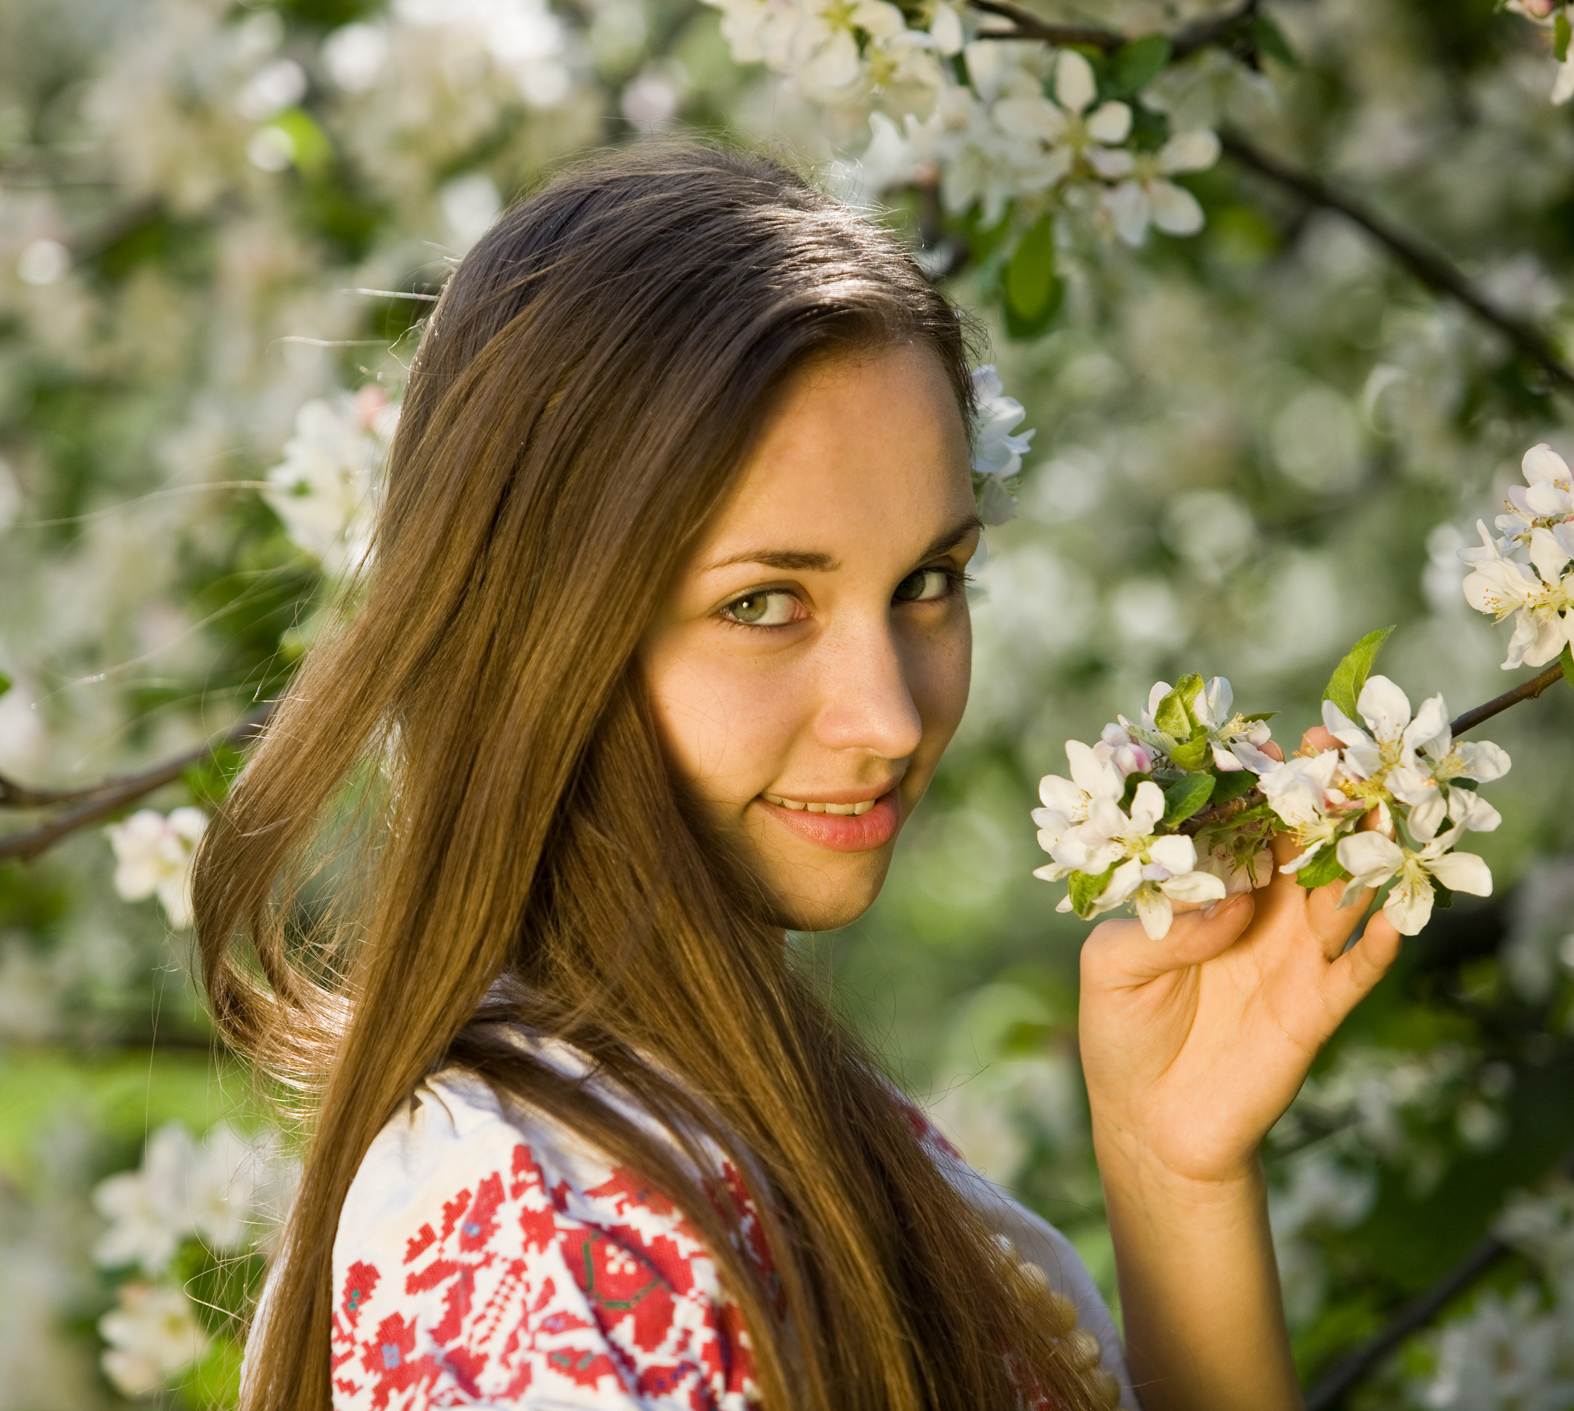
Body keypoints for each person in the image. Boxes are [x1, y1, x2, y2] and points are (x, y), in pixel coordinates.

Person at [193, 144, 1400, 1411]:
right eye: (764, 602)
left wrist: (1171, 1173)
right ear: (540, 627)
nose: (887, 716)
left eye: (927, 583)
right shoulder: (529, 1228)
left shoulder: (773, 1128)